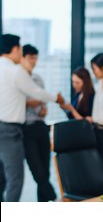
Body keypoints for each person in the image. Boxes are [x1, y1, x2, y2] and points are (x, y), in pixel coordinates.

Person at [0, 34, 64, 202]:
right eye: (20, 50)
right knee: (16, 179)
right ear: (15, 49)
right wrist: (56, 98)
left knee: (3, 178)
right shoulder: (15, 71)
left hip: (10, 129)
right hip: (10, 130)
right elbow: (35, 91)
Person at [20, 44, 57, 202]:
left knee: (46, 172)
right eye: (30, 58)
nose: (34, 61)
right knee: (38, 173)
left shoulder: (38, 79)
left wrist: (39, 106)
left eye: (35, 58)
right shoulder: (17, 79)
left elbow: (42, 104)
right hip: (25, 129)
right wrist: (32, 102)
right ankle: (56, 200)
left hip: (41, 126)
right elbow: (19, 103)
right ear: (22, 58)